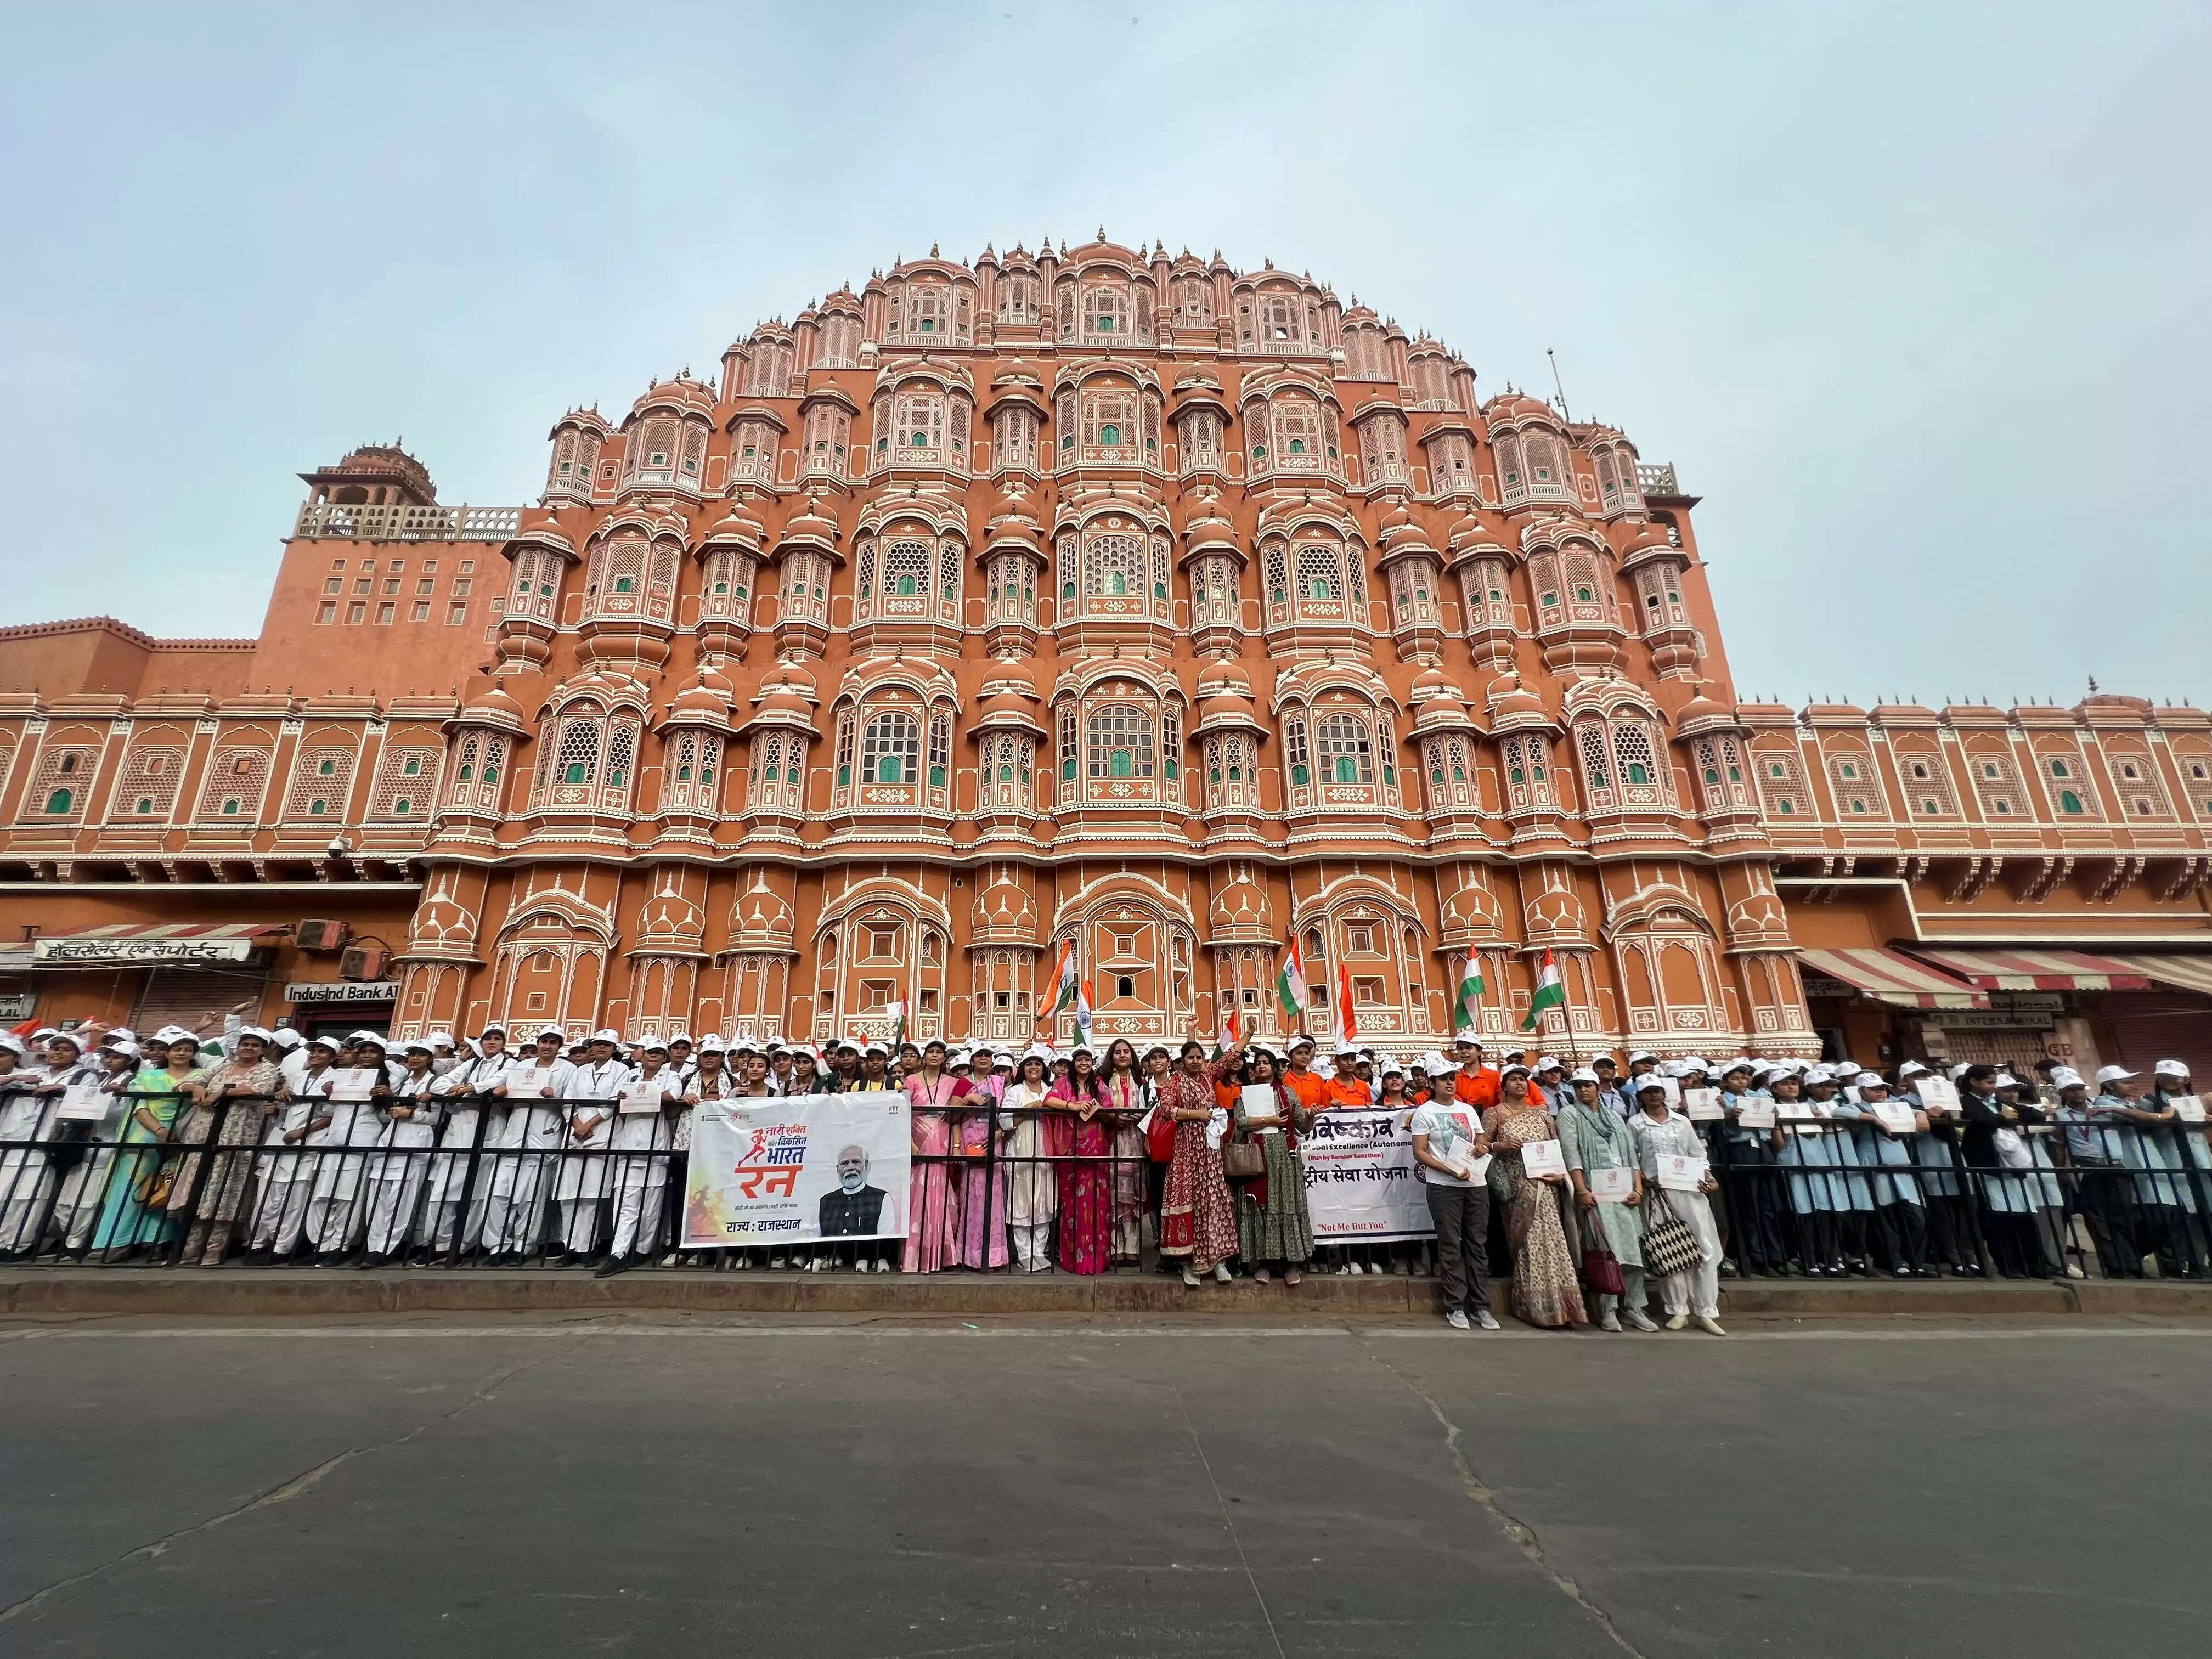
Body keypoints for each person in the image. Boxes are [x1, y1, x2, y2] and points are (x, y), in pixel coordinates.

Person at [1482, 1064, 1585, 1328]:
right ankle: (1534, 1308)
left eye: (1524, 1080)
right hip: (1517, 1190)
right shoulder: (1495, 1114)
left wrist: (1560, 1176)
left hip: (1547, 1189)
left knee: (1555, 1243)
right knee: (1528, 1246)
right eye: (1514, 1079)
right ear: (1503, 1086)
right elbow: (1480, 1147)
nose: (1520, 1083)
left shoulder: (1542, 1116)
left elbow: (1557, 1150)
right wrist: (1498, 1146)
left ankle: (1565, 1308)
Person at [1628, 1079, 1726, 1334]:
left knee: (1702, 1248)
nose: (1654, 1097)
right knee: (1670, 1250)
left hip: (1690, 1192)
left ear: (1664, 1094)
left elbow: (1698, 1154)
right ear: (1641, 1097)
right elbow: (1633, 1158)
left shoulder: (1682, 1123)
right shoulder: (1636, 1124)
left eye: (1658, 1092)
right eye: (1648, 1093)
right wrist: (1642, 1180)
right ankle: (1677, 1309)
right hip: (1658, 1195)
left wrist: (1710, 1178)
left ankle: (1706, 1309)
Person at [1559, 1067, 1652, 1331]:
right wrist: (1581, 1190)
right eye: (1578, 1086)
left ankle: (1634, 1307)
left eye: (1588, 1085)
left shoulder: (1613, 1117)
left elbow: (1631, 1156)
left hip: (1624, 1191)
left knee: (1633, 1249)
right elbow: (1572, 1153)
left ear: (1598, 1087)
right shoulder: (1570, 1115)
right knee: (1605, 1250)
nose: (1583, 1090)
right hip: (1595, 1191)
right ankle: (1608, 1309)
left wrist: (1638, 1188)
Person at [1409, 1064, 1498, 1330]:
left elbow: (1481, 1139)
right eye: (1444, 1079)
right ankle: (1456, 1306)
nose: (1450, 1083)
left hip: (1475, 1183)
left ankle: (1482, 1306)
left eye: (1452, 1079)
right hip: (1444, 1186)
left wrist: (1482, 1147)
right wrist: (1448, 1169)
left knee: (1477, 1244)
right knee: (1450, 1244)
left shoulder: (1468, 1110)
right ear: (1432, 1083)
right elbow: (1420, 1151)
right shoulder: (1424, 1113)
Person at [92, 1035, 197, 1255]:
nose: (181, 1053)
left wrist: (172, 1134)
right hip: (144, 1135)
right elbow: (140, 1107)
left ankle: (156, 1242)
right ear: (167, 1053)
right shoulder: (147, 1077)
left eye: (187, 1050)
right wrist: (159, 1130)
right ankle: (117, 1243)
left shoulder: (201, 1076)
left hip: (181, 1136)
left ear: (194, 1054)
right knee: (129, 1187)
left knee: (165, 1186)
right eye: (176, 1049)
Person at [483, 1027, 577, 1262]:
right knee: (499, 1194)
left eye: (552, 1042)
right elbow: (501, 1092)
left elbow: (571, 1104)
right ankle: (498, 1247)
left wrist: (554, 1097)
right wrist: (501, 1091)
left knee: (531, 1197)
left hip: (543, 1135)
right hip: (514, 1136)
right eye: (544, 1042)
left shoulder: (569, 1070)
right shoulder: (521, 1067)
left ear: (559, 1046)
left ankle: (522, 1247)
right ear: (538, 1044)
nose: (547, 1046)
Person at [1224, 1041, 1313, 1285]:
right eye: (1258, 1064)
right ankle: (1263, 1262)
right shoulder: (1247, 1094)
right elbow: (1242, 1122)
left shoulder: (1288, 1093)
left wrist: (1310, 1117)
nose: (1262, 1066)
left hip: (1285, 1159)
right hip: (1257, 1159)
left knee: (1286, 1205)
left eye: (1266, 1063)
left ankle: (1290, 1264)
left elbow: (1302, 1125)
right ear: (1253, 1070)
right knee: (1260, 1207)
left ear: (1274, 1068)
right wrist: (1270, 1119)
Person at [417, 1030, 510, 1263]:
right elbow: (439, 1084)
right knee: (443, 1193)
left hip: (487, 1130)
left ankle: (461, 1245)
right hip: (458, 1131)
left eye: (497, 1039)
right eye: (488, 1039)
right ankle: (440, 1242)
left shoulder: (511, 1064)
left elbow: (499, 1082)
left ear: (503, 1044)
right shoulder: (471, 1064)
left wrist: (468, 1089)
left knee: (476, 1195)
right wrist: (456, 1089)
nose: (491, 1043)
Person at [595, 1037, 682, 1276]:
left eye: (658, 1053)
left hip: (656, 1145)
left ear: (664, 1058)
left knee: (651, 1204)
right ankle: (619, 1252)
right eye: (649, 1053)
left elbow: (672, 1097)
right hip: (630, 1144)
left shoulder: (671, 1077)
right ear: (642, 1057)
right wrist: (633, 1097)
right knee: (625, 1203)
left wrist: (640, 1096)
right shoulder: (630, 1077)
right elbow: (617, 1099)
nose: (653, 1057)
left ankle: (643, 1249)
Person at [1832, 1071, 1932, 1277]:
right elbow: (1838, 1113)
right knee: (1887, 1217)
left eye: (1883, 1089)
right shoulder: (1858, 1108)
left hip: (1903, 1167)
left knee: (1916, 1217)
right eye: (1874, 1089)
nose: (1880, 1092)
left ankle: (1914, 1261)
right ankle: (1894, 1262)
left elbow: (1915, 1112)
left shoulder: (1897, 1106)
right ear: (1861, 1091)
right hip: (1877, 1166)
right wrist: (1873, 1119)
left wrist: (1921, 1114)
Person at [306, 1036, 395, 1263]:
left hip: (360, 1143)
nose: (366, 1055)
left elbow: (387, 1117)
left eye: (372, 1052)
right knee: (323, 1196)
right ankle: (321, 1245)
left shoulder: (389, 1079)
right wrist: (330, 1091)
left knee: (348, 1197)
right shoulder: (342, 1077)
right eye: (363, 1051)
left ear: (382, 1056)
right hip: (334, 1140)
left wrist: (387, 1097)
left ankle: (340, 1246)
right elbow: (327, 1110)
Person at [1156, 1039, 1238, 1287]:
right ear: (1182, 1061)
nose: (1195, 1061)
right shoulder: (1176, 1082)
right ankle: (1189, 1264)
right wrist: (1196, 1114)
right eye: (1190, 1058)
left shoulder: (1207, 1075)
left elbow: (1230, 1057)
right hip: (1186, 1148)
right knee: (1188, 1197)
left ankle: (1218, 1261)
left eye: (1199, 1057)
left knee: (1212, 1199)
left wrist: (1249, 1033)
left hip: (1209, 1149)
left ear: (1203, 1059)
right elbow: (1166, 1109)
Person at [1956, 1062, 2049, 1278]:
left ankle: (2033, 1264)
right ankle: (2009, 1265)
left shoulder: (1996, 1103)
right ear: (1973, 1082)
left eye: (1994, 1083)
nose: (1992, 1087)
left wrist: (2008, 1116)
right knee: (1998, 1219)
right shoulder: (1967, 1102)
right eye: (1989, 1082)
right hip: (1988, 1167)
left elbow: (2032, 1115)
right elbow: (1979, 1119)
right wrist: (2002, 1120)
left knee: (2024, 1218)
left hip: (2011, 1166)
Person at [551, 1030, 631, 1263]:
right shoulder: (580, 1071)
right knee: (569, 1195)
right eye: (597, 1045)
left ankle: (586, 1247)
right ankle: (570, 1247)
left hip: (602, 1133)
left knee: (592, 1196)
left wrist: (590, 1124)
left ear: (614, 1049)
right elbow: (568, 1100)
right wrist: (576, 1123)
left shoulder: (621, 1071)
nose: (601, 1049)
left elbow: (616, 1101)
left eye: (606, 1045)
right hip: (576, 1135)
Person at [361, 1039, 443, 1267]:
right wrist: (389, 1100)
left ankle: (386, 1248)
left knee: (400, 1201)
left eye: (421, 1055)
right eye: (412, 1055)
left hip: (414, 1146)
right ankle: (373, 1246)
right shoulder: (401, 1082)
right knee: (378, 1199)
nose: (415, 1059)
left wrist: (411, 1115)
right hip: (390, 1142)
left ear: (430, 1059)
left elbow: (436, 1117)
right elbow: (387, 1115)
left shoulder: (435, 1083)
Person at [1047, 1046, 1115, 1274]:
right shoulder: (1063, 1084)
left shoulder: (1100, 1085)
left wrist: (1099, 1111)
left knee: (1098, 1205)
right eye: (1080, 1060)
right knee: (1072, 1207)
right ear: (1073, 1063)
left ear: (1092, 1062)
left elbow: (1111, 1111)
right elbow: (1049, 1100)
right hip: (1071, 1152)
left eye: (1087, 1059)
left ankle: (1097, 1259)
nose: (1084, 1063)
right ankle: (1074, 1259)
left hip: (1096, 1150)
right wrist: (1072, 1106)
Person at [1717, 1058, 1787, 1274]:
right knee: (1749, 1206)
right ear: (1725, 1082)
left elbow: (1770, 1119)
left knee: (1769, 1205)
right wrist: (1728, 1116)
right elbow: (1721, 1129)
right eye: (1735, 1078)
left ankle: (1775, 1256)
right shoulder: (1722, 1101)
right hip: (1741, 1148)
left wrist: (1773, 1115)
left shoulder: (1759, 1097)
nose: (1742, 1082)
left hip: (1763, 1147)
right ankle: (1756, 1257)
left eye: (1745, 1077)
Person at [2139, 1060, 2208, 1277]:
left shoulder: (2195, 1101)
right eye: (2163, 1076)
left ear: (2186, 1080)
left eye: (2173, 1077)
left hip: (2201, 1161)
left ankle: (2198, 1263)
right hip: (2172, 1162)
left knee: (2202, 1215)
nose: (2167, 1080)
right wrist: (2167, 1118)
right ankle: (2174, 1265)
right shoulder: (2150, 1101)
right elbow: (2149, 1126)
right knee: (2178, 1216)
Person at [901, 1039, 963, 1274]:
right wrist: (909, 1143)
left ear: (944, 1057)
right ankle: (914, 1257)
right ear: (924, 1057)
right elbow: (904, 1115)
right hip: (918, 1145)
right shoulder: (911, 1081)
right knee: (917, 1199)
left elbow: (957, 1118)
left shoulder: (954, 1083)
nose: (935, 1055)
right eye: (931, 1051)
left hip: (942, 1145)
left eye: (939, 1052)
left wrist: (956, 1146)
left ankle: (939, 1256)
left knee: (941, 1200)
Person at [998, 1048, 1059, 1272]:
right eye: (1029, 1064)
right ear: (1022, 1069)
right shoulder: (1014, 1092)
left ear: (1044, 1069)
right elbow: (1005, 1121)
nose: (1034, 1067)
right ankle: (1024, 1253)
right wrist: (1029, 1109)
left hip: (1046, 1147)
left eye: (1038, 1064)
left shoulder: (1051, 1091)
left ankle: (1039, 1251)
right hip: (1020, 1146)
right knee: (1020, 1200)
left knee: (1044, 1199)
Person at [950, 1048, 1008, 1271]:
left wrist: (1000, 1132)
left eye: (987, 1055)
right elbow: (952, 1111)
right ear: (972, 1060)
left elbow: (1007, 1114)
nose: (983, 1059)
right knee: (972, 1197)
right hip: (971, 1141)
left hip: (994, 1139)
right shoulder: (964, 1083)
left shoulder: (998, 1082)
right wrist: (968, 1099)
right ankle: (970, 1255)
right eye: (979, 1056)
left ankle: (993, 1256)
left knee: (994, 1199)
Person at [1097, 1039, 1150, 1265]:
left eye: (1126, 1052)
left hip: (1135, 1139)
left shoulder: (1141, 1081)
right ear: (1112, 1056)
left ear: (1132, 1056)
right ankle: (1116, 1247)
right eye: (1117, 1052)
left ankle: (1133, 1247)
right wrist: (1114, 1119)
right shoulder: (1103, 1082)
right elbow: (1099, 1108)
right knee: (1115, 1196)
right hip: (1113, 1140)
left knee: (1133, 1198)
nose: (1122, 1055)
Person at [819, 1144, 889, 1235]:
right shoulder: (825, 1202)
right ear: (837, 1169)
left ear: (866, 1166)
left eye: (856, 1162)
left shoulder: (882, 1198)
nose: (850, 1167)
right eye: (845, 1163)